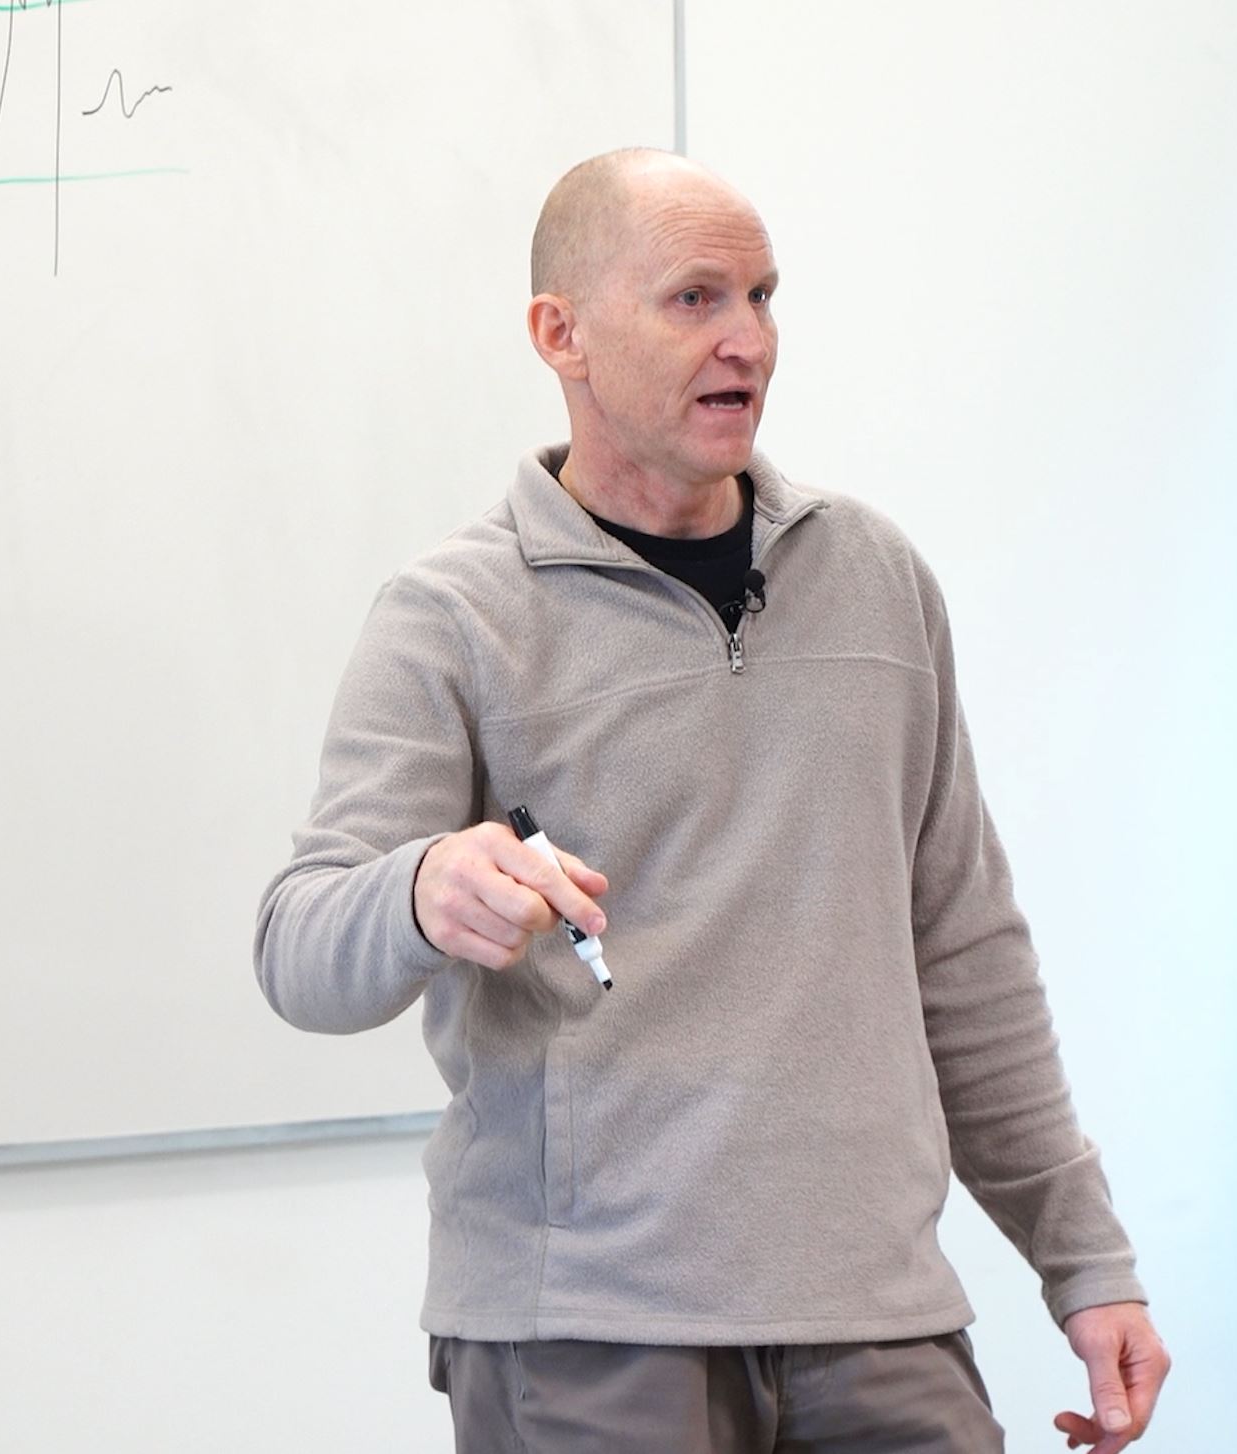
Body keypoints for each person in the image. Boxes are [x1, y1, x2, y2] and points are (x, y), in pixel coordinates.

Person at [252, 148, 1171, 1452]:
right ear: (558, 332)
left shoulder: (874, 579)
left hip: (879, 1314)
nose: (750, 339)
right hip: (585, 1335)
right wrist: (420, 888)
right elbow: (297, 947)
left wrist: (1086, 1260)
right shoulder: (453, 614)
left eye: (762, 296)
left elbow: (963, 949)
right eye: (695, 299)